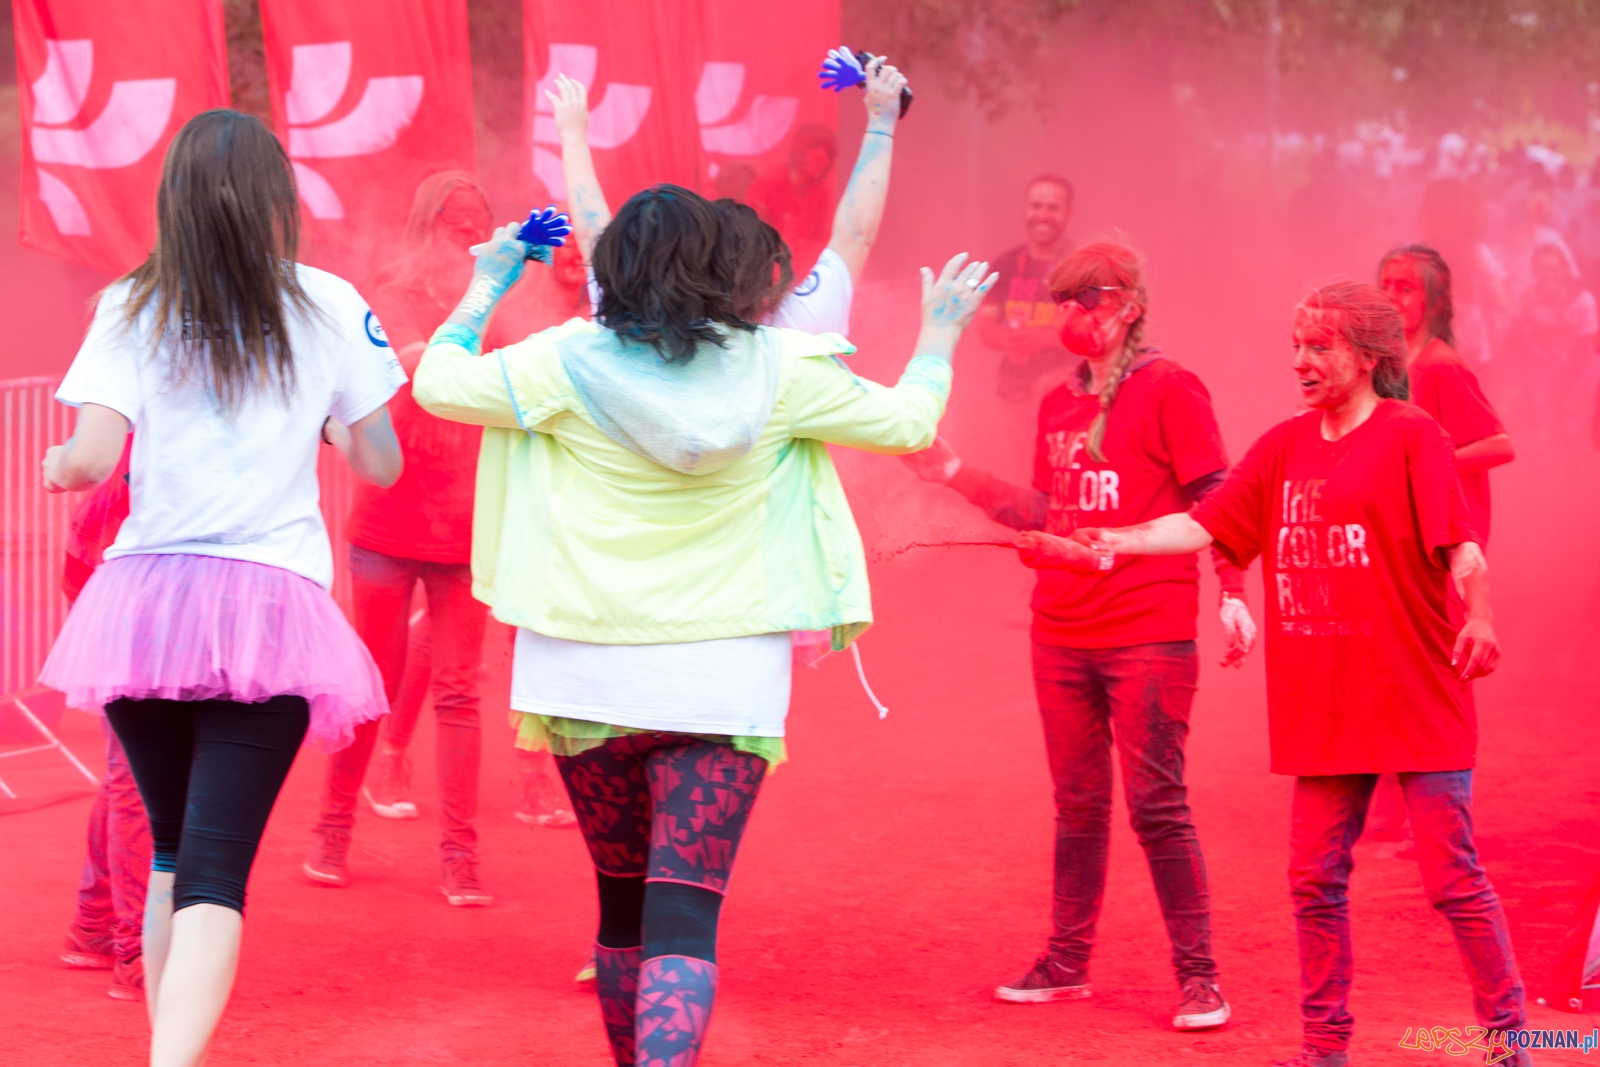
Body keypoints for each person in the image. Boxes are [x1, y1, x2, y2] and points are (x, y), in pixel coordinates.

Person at [412, 183, 993, 1067]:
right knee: (684, 914)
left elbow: (438, 382)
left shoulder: (560, 361)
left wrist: (489, 281)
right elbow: (910, 421)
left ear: (615, 271)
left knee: (620, 910)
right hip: (723, 681)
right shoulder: (783, 369)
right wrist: (941, 332)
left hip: (583, 676)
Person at [1047, 281, 1531, 1067]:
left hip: (1416, 692)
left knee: (1453, 881)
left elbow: (1462, 546)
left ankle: (1515, 1043)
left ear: (1368, 356)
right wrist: (1109, 538)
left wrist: (1479, 612)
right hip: (1325, 704)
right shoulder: (1281, 446)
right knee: (1313, 880)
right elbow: (1202, 523)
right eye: (1296, 345)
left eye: (1319, 346)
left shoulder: (1414, 436)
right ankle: (1325, 1049)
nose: (1301, 360)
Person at [37, 109, 402, 1067]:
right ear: (277, 199)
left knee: (169, 851)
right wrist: (324, 427)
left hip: (146, 608)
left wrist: (54, 464)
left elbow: (89, 459)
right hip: (269, 607)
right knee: (213, 871)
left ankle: (166, 1053)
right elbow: (384, 460)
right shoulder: (329, 302)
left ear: (175, 199)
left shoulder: (131, 303)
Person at [904, 241, 1250, 1030]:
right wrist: (954, 472)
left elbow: (1219, 501)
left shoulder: (1171, 388)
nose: (1069, 314)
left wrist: (1232, 591)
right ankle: (1066, 961)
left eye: (1084, 298)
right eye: (1060, 299)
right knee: (1079, 804)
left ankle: (1201, 979)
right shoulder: (1059, 403)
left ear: (1128, 303)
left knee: (1158, 805)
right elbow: (1046, 512)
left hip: (1149, 635)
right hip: (1060, 632)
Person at [302, 170, 565, 906]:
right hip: (388, 522)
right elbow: (420, 369)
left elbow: (537, 372)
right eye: (454, 218)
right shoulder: (392, 296)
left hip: (466, 523)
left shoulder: (501, 305)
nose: (465, 228)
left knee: (458, 693)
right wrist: (490, 295)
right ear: (425, 225)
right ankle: (332, 826)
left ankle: (460, 853)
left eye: (478, 218)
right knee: (374, 685)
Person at [547, 55, 910, 339]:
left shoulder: (623, 321)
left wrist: (573, 135)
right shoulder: (787, 333)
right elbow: (855, 237)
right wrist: (881, 122)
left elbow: (593, 234)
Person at [1369, 246, 1516, 851]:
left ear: (1433, 300)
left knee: (1439, 678)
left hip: (1444, 546)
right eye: (1385, 285)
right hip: (1402, 543)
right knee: (1394, 676)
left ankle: (1444, 820)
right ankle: (1393, 814)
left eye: (1406, 287)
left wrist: (1433, 463)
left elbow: (1501, 444)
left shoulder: (1440, 366)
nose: (1393, 296)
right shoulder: (1388, 364)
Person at [58, 438, 152, 1003]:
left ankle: (95, 921)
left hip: (136, 581)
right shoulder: (120, 492)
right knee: (135, 774)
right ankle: (132, 941)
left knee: (131, 773)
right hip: (116, 594)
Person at [975, 175, 1075, 402]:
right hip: (1013, 392)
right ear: (1024, 209)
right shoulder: (1005, 263)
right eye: (1036, 206)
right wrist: (1007, 340)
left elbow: (1098, 333)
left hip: (1068, 392)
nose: (1043, 215)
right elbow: (985, 327)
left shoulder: (1081, 264)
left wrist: (1045, 339)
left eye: (1053, 208)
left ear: (1069, 214)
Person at [747, 121, 838, 272]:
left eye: (828, 153)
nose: (822, 156)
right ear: (799, 150)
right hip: (764, 274)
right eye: (814, 147)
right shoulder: (769, 184)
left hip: (801, 277)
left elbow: (819, 241)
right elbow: (752, 239)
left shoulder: (820, 195)